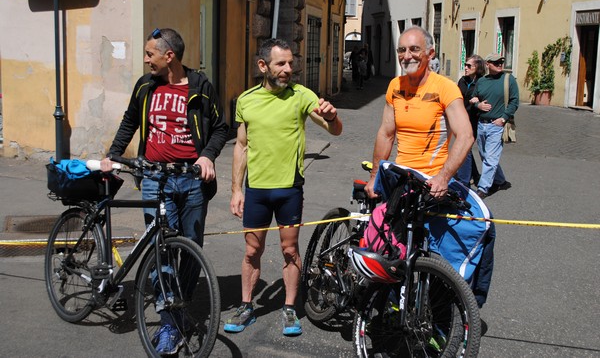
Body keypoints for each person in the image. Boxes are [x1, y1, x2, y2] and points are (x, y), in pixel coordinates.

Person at [101, 28, 228, 354]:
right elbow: (130, 121)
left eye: (149, 53)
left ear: (168, 55)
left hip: (192, 180)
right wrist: (112, 156)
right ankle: (170, 323)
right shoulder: (146, 86)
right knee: (164, 252)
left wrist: (207, 155)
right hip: (155, 180)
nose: (146, 59)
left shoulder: (200, 87)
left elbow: (219, 127)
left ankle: (180, 306)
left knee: (191, 250)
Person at [365, 27, 494, 308]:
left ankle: (457, 301)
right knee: (389, 245)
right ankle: (384, 301)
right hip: (402, 179)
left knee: (483, 222)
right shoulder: (395, 87)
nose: (407, 55)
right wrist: (375, 177)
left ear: (430, 53)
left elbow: (465, 135)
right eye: (402, 50)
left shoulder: (444, 88)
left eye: (414, 49)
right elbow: (386, 134)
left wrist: (444, 176)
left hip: (433, 179)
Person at [225, 38, 342, 336]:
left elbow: (335, 130)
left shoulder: (301, 96)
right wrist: (236, 190)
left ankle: (290, 308)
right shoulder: (247, 100)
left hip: (289, 188)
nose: (288, 69)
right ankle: (246, 305)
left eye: (291, 63)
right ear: (263, 66)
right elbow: (241, 146)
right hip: (257, 190)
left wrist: (332, 116)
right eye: (281, 63)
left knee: (290, 249)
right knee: (252, 251)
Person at [472, 53, 519, 199]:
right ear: (488, 64)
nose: (500, 64)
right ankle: (500, 180)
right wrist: (477, 104)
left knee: (491, 158)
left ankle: (483, 188)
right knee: (485, 156)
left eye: (501, 62)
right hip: (482, 124)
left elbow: (514, 101)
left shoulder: (508, 79)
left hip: (496, 125)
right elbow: (474, 98)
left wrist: (503, 118)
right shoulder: (481, 81)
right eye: (496, 62)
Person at [455, 55, 486, 188]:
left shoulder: (482, 82)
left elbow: (485, 100)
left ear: (477, 68)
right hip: (461, 118)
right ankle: (475, 175)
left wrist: (478, 103)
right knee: (466, 148)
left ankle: (464, 181)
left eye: (469, 66)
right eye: (465, 65)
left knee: (465, 148)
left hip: (474, 119)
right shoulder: (462, 80)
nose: (465, 68)